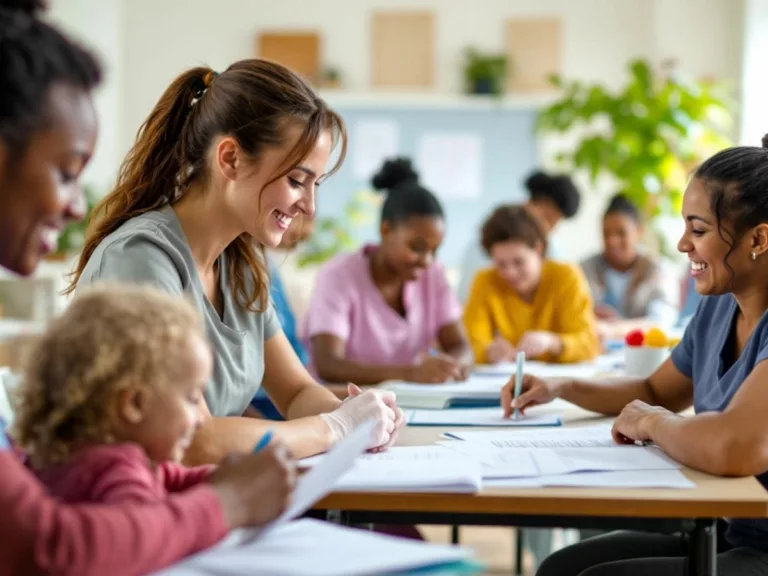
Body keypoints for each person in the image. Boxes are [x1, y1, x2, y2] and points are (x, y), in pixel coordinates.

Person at [0, 1, 296, 574]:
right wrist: (226, 502)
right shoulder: (145, 252)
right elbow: (47, 546)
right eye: (65, 171)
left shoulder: (241, 266)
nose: (72, 207)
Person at [70, 58, 404, 463]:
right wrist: (335, 428)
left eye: (315, 184)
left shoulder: (241, 265)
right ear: (229, 158)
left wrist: (358, 417)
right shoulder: (139, 260)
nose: (309, 205)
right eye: (297, 181)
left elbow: (296, 392)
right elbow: (194, 442)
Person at [503, 140, 768, 576]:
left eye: (698, 230)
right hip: (730, 530)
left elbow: (733, 447)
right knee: (560, 568)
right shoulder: (719, 307)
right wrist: (561, 387)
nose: (683, 244)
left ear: (757, 239)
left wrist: (652, 422)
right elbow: (652, 389)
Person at [15, 284, 292, 516]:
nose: (199, 418)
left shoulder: (71, 453)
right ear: (134, 404)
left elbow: (174, 477)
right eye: (193, 398)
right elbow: (148, 534)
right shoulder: (118, 472)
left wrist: (237, 477)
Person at [305, 158, 472, 385]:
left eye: (435, 250)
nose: (427, 260)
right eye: (417, 247)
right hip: (344, 404)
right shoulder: (339, 276)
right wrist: (411, 374)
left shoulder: (433, 275)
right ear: (386, 230)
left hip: (407, 404)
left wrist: (451, 366)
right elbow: (329, 365)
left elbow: (461, 346)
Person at [464, 205, 599, 365]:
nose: (510, 272)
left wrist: (552, 342)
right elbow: (469, 342)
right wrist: (488, 351)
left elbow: (589, 343)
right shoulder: (485, 280)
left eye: (519, 262)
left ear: (538, 248)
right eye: (501, 264)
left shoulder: (566, 276)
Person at [458, 170, 581, 301]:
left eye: (554, 224)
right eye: (545, 217)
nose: (546, 229)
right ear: (527, 205)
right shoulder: (489, 242)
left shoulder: (554, 250)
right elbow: (467, 298)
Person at [581, 194, 679, 342]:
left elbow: (661, 322)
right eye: (606, 234)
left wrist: (613, 329)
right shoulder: (585, 268)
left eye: (621, 233)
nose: (612, 241)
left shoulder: (657, 270)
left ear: (639, 231)